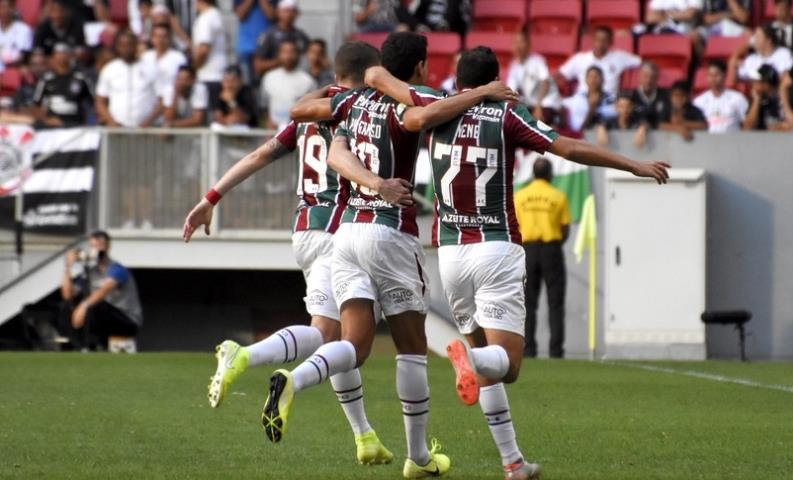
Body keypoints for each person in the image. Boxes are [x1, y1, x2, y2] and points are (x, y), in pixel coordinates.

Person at [361, 45, 669, 479]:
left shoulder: (434, 105)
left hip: (449, 253)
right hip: (496, 247)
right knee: (507, 364)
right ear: (494, 79)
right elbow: (569, 148)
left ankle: (513, 462)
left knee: (483, 362)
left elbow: (378, 77)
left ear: (457, 79)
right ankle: (470, 364)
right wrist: (631, 165)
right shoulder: (507, 115)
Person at [268, 31, 517, 478]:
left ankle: (295, 378)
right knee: (412, 349)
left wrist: (350, 86)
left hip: (344, 235)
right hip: (390, 235)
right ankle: (417, 458)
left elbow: (313, 127)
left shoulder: (349, 103)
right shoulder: (406, 109)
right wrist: (480, 93)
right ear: (420, 68)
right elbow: (429, 115)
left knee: (354, 345)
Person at [182, 40, 395, 467]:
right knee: (352, 341)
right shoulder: (360, 108)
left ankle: (365, 437)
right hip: (343, 229)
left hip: (305, 231)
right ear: (372, 75)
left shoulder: (306, 113)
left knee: (327, 335)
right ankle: (248, 355)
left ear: (335, 76)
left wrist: (211, 197)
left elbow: (261, 154)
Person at [515, 158, 569, 361]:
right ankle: (556, 352)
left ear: (534, 174)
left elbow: (514, 226)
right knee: (555, 303)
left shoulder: (520, 196)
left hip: (527, 250)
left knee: (528, 303)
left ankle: (528, 350)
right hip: (552, 250)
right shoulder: (558, 196)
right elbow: (565, 229)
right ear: (549, 174)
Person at [60, 231, 142, 351]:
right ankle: (73, 345)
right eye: (93, 246)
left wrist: (83, 306)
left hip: (126, 319)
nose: (97, 249)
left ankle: (88, 345)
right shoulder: (90, 272)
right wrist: (67, 267)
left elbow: (103, 291)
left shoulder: (117, 269)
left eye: (100, 245)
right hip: (100, 316)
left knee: (95, 304)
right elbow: (67, 295)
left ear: (108, 247)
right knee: (67, 306)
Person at [95, 30, 162, 128]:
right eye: (122, 45)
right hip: (118, 129)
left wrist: (149, 121)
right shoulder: (109, 69)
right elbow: (100, 101)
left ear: (136, 46)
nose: (127, 49)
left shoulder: (151, 68)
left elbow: (163, 100)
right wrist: (110, 121)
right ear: (117, 47)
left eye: (130, 45)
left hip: (146, 129)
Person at [555, 26, 641, 99]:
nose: (600, 43)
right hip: (583, 99)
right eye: (598, 40)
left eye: (604, 40)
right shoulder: (579, 58)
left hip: (608, 101)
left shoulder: (620, 57)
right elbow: (559, 75)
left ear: (611, 42)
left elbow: (642, 62)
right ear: (592, 40)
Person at [32, 43, 94, 128]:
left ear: (70, 56)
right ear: (52, 58)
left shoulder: (81, 78)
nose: (61, 57)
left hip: (76, 126)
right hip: (53, 127)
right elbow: (36, 105)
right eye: (58, 54)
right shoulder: (46, 80)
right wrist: (46, 120)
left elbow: (93, 102)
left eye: (64, 53)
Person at [507, 30, 560, 124]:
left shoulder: (538, 60)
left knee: (540, 122)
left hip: (546, 103)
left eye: (521, 42)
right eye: (516, 42)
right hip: (530, 104)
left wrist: (538, 107)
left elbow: (545, 83)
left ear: (528, 45)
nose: (518, 46)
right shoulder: (514, 65)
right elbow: (511, 90)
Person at [260, 40, 316, 128]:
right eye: (285, 52)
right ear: (279, 54)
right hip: (273, 131)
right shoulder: (269, 77)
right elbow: (263, 106)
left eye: (292, 52)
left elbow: (312, 109)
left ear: (298, 55)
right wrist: (267, 122)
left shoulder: (307, 80)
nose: (288, 56)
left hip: (296, 131)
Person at [254, 0, 311, 80]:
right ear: (278, 12)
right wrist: (283, 61)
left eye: (292, 11)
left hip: (297, 79)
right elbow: (258, 65)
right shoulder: (269, 35)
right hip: (273, 79)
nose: (289, 14)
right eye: (286, 11)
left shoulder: (301, 36)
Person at [693, 60, 749, 133]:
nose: (713, 79)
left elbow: (747, 123)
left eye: (716, 75)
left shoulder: (737, 98)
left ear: (724, 76)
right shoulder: (699, 101)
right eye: (710, 75)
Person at [192, 0, 228, 100]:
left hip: (208, 75)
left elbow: (203, 49)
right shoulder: (217, 15)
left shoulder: (205, 18)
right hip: (220, 73)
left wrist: (194, 68)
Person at [234, 0, 276, 85]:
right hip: (246, 49)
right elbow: (240, 14)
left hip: (267, 50)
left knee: (268, 83)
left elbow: (272, 15)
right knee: (246, 86)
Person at [563, 65, 615, 132]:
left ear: (603, 79)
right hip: (580, 138)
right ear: (586, 80)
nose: (593, 80)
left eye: (596, 77)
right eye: (590, 77)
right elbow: (580, 131)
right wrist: (592, 109)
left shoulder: (611, 99)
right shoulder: (578, 99)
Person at [141, 24, 187, 95]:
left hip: (171, 98)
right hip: (150, 98)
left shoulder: (178, 57)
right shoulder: (146, 56)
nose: (160, 40)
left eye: (164, 36)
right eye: (157, 36)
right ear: (152, 38)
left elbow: (184, 81)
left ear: (169, 38)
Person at [743, 64, 789, 131]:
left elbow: (791, 125)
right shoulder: (757, 100)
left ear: (766, 84)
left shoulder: (785, 98)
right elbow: (747, 127)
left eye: (757, 81)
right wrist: (756, 100)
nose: (753, 84)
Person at [630, 62, 669, 128]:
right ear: (639, 77)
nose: (648, 80)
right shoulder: (631, 96)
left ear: (657, 79)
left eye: (652, 77)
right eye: (645, 76)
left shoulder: (666, 95)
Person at [0, 0, 33, 69]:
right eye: (1, 7)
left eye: (7, 7)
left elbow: (22, 56)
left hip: (13, 68)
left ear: (14, 9)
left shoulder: (24, 30)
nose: (4, 11)